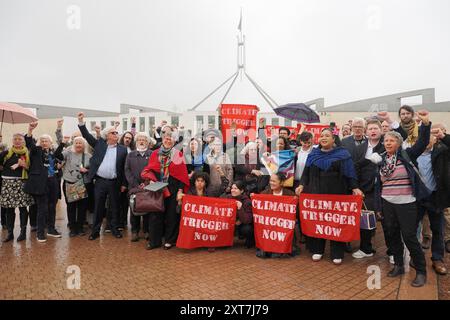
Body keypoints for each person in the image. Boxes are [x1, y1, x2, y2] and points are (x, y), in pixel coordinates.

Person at [373, 110, 431, 287]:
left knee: (409, 237)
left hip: (407, 203)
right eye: (386, 140)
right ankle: (398, 265)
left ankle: (421, 271)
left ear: (399, 143)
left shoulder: (406, 155)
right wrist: (378, 207)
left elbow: (421, 143)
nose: (388, 142)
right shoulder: (381, 160)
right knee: (392, 236)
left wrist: (426, 125)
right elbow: (378, 186)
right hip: (387, 203)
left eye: (392, 140)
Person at [296, 128, 363, 265]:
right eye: (321, 136)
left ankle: (337, 252)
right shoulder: (313, 154)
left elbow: (350, 173)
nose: (323, 138)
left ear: (334, 139)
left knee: (335, 223)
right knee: (319, 221)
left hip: (337, 194)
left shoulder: (343, 154)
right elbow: (306, 173)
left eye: (327, 135)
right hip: (316, 194)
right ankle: (318, 250)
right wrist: (302, 185)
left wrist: (355, 187)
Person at [77, 112, 128, 240]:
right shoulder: (100, 145)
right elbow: (87, 136)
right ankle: (95, 231)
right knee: (98, 206)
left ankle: (114, 228)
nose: (116, 134)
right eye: (113, 133)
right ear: (107, 135)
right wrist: (81, 121)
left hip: (115, 182)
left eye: (116, 133)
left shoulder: (122, 149)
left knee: (115, 206)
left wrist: (123, 183)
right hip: (100, 181)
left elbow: (124, 168)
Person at [141, 126, 190, 250]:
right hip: (158, 188)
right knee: (155, 215)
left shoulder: (178, 154)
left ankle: (169, 240)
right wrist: (151, 179)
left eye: (171, 140)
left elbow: (182, 175)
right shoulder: (155, 153)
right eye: (166, 139)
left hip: (173, 189)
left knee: (171, 216)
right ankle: (154, 241)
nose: (168, 141)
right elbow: (150, 169)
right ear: (162, 140)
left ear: (174, 142)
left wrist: (180, 190)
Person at [415, 126, 450, 275]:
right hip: (416, 198)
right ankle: (416, 258)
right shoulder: (412, 154)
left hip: (435, 197)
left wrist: (444, 136)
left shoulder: (442, 152)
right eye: (422, 138)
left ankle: (437, 259)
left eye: (428, 138)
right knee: (412, 229)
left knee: (438, 230)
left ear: (434, 139)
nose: (425, 141)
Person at [24, 122, 62, 242]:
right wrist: (30, 130)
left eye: (47, 141)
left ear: (51, 143)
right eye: (42, 140)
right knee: (42, 208)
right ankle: (40, 233)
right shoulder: (36, 151)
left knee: (52, 207)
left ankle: (51, 229)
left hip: (53, 181)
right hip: (41, 183)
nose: (44, 142)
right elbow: (29, 143)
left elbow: (59, 159)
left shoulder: (52, 154)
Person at [54, 136, 91, 237]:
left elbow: (93, 170)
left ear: (84, 145)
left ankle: (80, 228)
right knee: (71, 207)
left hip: (82, 184)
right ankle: (73, 228)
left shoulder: (88, 156)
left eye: (80, 143)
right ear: (73, 144)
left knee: (82, 208)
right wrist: (63, 143)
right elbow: (56, 155)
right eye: (76, 143)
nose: (78, 145)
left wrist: (87, 170)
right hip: (69, 183)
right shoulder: (68, 153)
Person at [0, 133, 34, 242]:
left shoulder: (27, 153)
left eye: (20, 139)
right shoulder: (5, 153)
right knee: (9, 210)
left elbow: (33, 169)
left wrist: (25, 165)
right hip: (8, 184)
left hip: (22, 183)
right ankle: (10, 233)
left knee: (23, 209)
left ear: (23, 141)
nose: (17, 141)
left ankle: (23, 232)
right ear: (12, 141)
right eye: (15, 139)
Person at [256, 172, 298, 258]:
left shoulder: (290, 194)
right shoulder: (264, 194)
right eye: (270, 181)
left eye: (274, 181)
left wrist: (295, 200)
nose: (271, 183)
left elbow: (295, 213)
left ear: (282, 183)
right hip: (269, 225)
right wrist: (254, 197)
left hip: (283, 225)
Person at [124, 132, 153, 242]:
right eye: (139, 139)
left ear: (147, 142)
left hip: (148, 186)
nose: (141, 141)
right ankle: (135, 232)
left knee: (147, 208)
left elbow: (154, 169)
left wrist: (146, 183)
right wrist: (136, 184)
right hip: (134, 187)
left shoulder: (152, 154)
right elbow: (127, 170)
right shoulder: (130, 155)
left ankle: (146, 231)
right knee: (134, 209)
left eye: (144, 140)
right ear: (136, 142)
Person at [221, 180, 254, 248]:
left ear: (241, 191)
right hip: (230, 223)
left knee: (247, 229)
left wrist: (240, 208)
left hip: (241, 225)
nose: (233, 190)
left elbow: (247, 220)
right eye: (232, 188)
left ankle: (250, 241)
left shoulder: (247, 201)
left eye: (236, 188)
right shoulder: (227, 197)